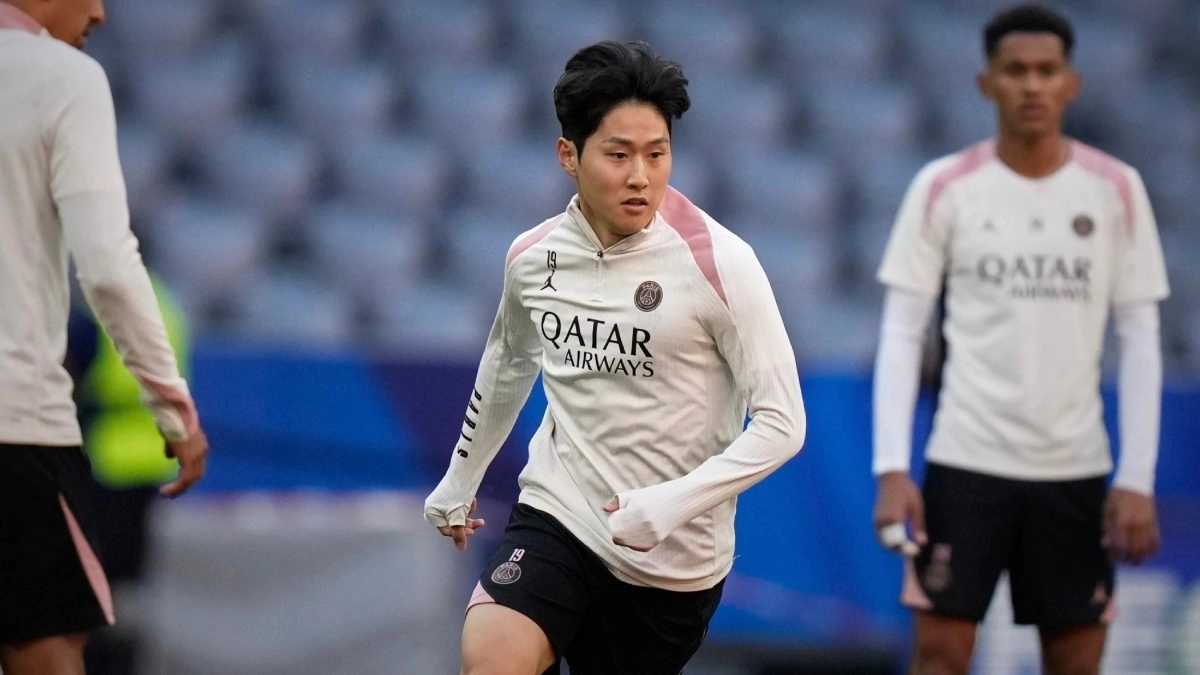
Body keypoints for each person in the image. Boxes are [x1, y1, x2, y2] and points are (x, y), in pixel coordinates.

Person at [424, 40, 807, 675]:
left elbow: (783, 423)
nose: (640, 176)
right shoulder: (532, 257)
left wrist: (670, 504)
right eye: (619, 154)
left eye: (657, 154)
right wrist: (460, 481)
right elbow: (509, 362)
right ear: (568, 156)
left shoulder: (721, 263)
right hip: (559, 516)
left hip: (671, 564)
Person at [870, 4, 1170, 675]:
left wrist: (1137, 476)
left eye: (1046, 70)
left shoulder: (1116, 190)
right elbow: (901, 329)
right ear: (987, 83)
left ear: (1072, 83)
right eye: (1015, 71)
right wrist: (892, 468)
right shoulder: (944, 187)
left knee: (1074, 661)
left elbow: (1141, 335)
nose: (1031, 85)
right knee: (939, 656)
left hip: (1075, 469)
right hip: (966, 461)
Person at [0, 1, 209, 674]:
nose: (100, 11)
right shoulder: (62, 77)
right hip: (22, 427)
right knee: (50, 649)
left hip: (97, 453)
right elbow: (110, 269)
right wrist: (172, 406)